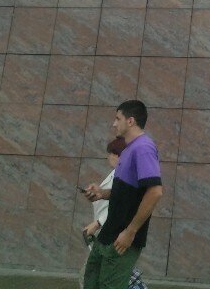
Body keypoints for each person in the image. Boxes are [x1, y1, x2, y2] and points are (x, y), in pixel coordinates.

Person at [82, 100, 163, 289]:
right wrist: (101, 193)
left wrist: (130, 232)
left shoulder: (143, 148)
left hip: (121, 240)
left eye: (118, 118)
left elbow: (155, 192)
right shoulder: (128, 150)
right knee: (90, 283)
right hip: (107, 235)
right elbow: (125, 193)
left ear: (130, 121)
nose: (114, 123)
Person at [81, 137, 127, 243]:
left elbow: (121, 203)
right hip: (105, 229)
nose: (109, 157)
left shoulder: (124, 176)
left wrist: (98, 223)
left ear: (118, 155)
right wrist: (97, 192)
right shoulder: (115, 174)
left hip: (112, 232)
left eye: (111, 153)